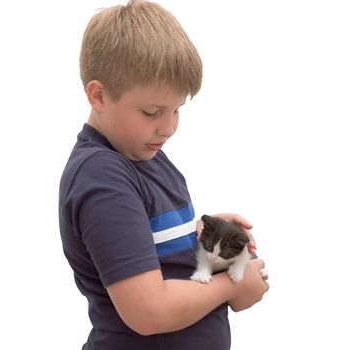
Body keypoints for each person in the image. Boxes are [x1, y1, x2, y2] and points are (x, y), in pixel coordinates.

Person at [58, 1, 269, 349]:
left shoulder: (145, 154)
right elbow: (148, 311)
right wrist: (234, 284)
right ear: (98, 95)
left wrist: (200, 232)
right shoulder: (102, 177)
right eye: (152, 111)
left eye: (176, 110)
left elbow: (147, 241)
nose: (169, 127)